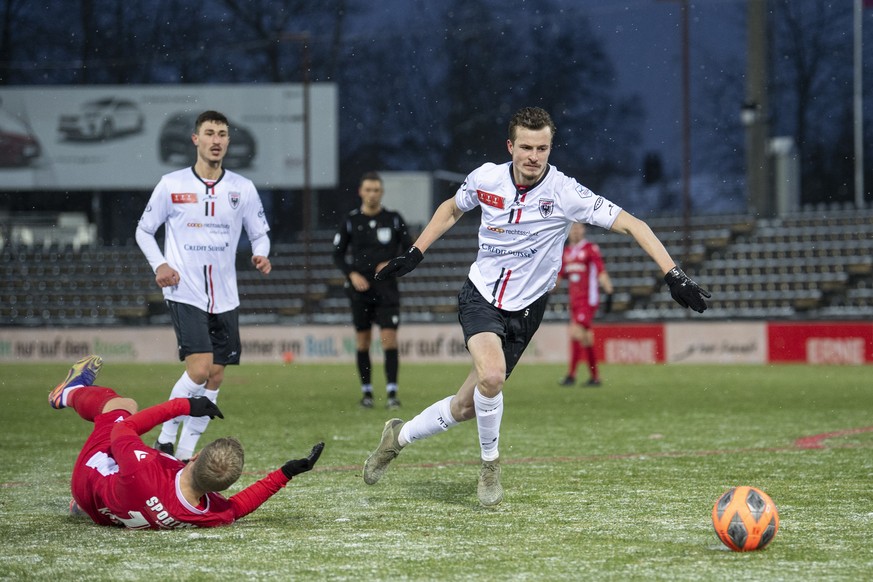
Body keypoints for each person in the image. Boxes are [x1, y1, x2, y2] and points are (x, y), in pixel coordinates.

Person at [362, 106, 709, 507]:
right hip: (481, 295)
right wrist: (416, 252)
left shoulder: (565, 192)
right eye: (526, 147)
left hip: (527, 311)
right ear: (510, 146)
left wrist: (673, 274)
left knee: (465, 405)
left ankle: (397, 437)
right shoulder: (486, 178)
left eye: (542, 148)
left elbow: (635, 224)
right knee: (492, 377)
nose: (534, 156)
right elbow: (453, 208)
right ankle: (490, 466)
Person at [49, 355, 324, 529]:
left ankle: (69, 393)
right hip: (107, 513)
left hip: (89, 480)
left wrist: (184, 405)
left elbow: (125, 430)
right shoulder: (211, 514)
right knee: (126, 484)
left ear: (195, 457)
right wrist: (285, 473)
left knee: (123, 407)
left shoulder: (142, 469)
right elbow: (238, 507)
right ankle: (82, 507)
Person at [135, 110, 272, 461]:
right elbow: (144, 230)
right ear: (196, 139)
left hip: (225, 296)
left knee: (213, 377)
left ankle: (183, 452)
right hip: (185, 290)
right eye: (209, 133)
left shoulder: (242, 188)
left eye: (222, 134)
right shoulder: (172, 184)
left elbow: (260, 233)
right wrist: (161, 264)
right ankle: (165, 440)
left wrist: (260, 254)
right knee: (197, 369)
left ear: (228, 141)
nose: (216, 140)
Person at [332, 171, 413, 409]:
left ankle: (392, 394)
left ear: (381, 192)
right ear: (360, 192)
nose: (372, 194)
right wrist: (352, 273)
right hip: (360, 291)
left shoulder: (394, 219)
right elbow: (337, 254)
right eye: (368, 189)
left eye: (376, 190)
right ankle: (367, 393)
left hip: (387, 289)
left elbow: (410, 250)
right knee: (363, 342)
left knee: (389, 341)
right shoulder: (350, 220)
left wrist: (392, 264)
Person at [556, 222, 614, 387]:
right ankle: (595, 378)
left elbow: (600, 271)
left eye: (578, 227)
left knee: (575, 333)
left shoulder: (590, 249)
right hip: (574, 301)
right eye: (572, 228)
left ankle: (571, 375)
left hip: (588, 300)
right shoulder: (566, 252)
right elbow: (559, 277)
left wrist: (609, 290)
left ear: (583, 229)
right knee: (587, 339)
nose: (575, 231)